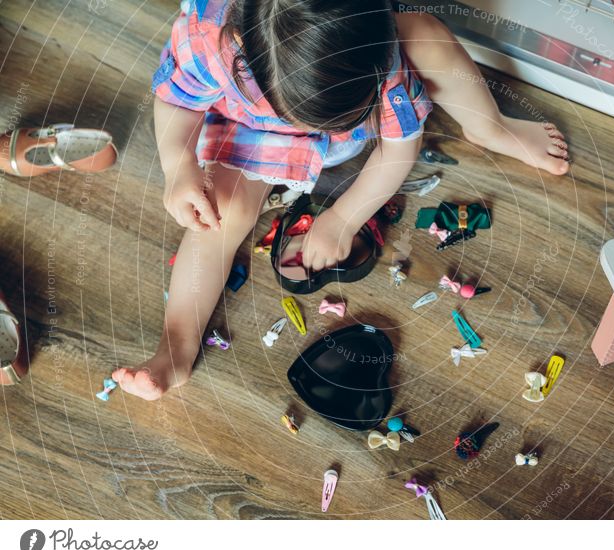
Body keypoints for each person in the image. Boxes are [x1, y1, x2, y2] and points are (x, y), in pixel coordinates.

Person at [113, 0, 569, 400]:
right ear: (239, 43)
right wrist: (177, 165)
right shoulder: (206, 36)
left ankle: (488, 124)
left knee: (425, 34)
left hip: (357, 121)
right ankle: (175, 347)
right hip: (252, 129)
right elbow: (176, 101)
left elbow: (399, 148)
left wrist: (346, 216)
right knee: (219, 217)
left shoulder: (380, 50)